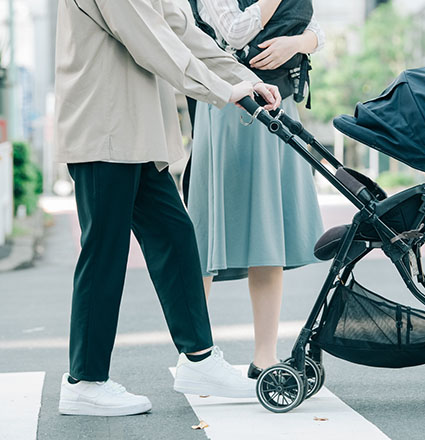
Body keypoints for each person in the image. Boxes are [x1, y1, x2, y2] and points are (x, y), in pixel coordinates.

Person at [55, 0, 280, 417]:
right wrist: (222, 90)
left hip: (139, 132)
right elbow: (151, 40)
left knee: (175, 238)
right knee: (104, 252)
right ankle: (84, 382)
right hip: (105, 128)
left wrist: (244, 79)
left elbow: (182, 29)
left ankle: (199, 359)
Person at [187, 0, 324, 378]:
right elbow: (234, 31)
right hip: (227, 106)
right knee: (205, 232)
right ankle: (194, 351)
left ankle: (265, 355)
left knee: (268, 233)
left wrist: (296, 44)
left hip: (277, 105)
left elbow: (318, 29)